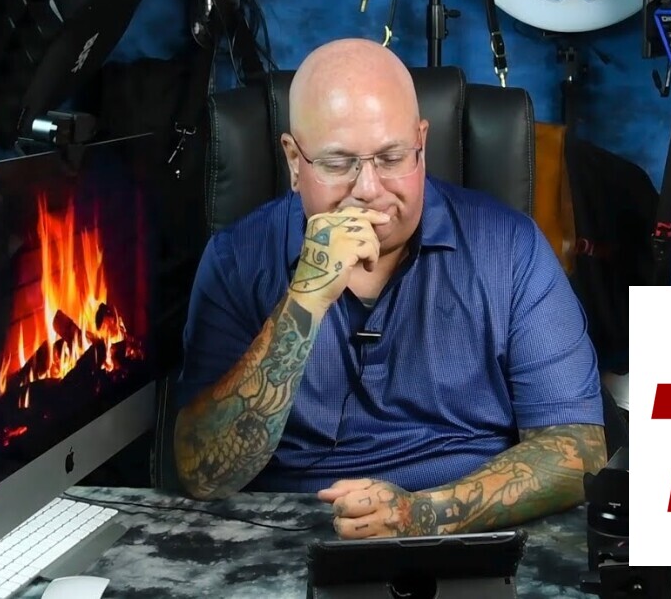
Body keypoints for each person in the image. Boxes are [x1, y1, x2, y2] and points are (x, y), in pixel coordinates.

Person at [171, 38, 607, 539]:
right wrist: (304, 299)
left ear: (422, 142)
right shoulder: (236, 259)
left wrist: (422, 514)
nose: (368, 190)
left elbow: (578, 449)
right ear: (293, 160)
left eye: (392, 157)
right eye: (338, 163)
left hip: (464, 528)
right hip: (285, 532)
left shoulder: (511, 248)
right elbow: (203, 474)